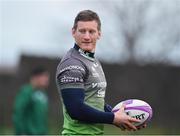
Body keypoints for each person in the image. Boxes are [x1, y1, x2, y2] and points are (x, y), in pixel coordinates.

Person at [56, 10, 142, 135]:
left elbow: (94, 100)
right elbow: (76, 109)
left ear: (99, 34)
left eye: (91, 31)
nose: (87, 36)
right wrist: (113, 118)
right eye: (82, 31)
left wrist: (122, 116)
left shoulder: (92, 61)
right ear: (73, 32)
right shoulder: (72, 64)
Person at [13, 67, 49, 135]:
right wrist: (20, 132)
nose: (47, 79)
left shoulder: (43, 93)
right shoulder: (26, 92)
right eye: (44, 76)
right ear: (36, 77)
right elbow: (18, 113)